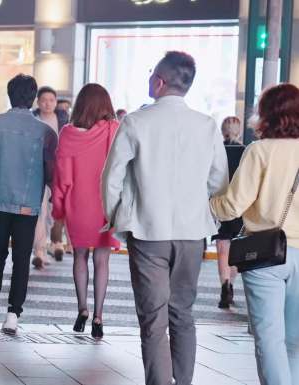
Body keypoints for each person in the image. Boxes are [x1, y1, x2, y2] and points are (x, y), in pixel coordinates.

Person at [101, 51, 228, 385]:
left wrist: (116, 217)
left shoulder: (136, 122)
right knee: (183, 313)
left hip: (147, 230)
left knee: (153, 318)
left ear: (158, 81)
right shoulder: (207, 125)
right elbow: (219, 181)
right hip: (191, 233)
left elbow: (112, 177)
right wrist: (207, 217)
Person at [211, 83, 299, 385]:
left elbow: (232, 205)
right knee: (295, 341)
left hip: (265, 253)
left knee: (269, 340)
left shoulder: (259, 151)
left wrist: (209, 202)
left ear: (266, 114)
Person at [0, 74, 58, 334]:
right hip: (28, 204)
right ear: (33, 98)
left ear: (9, 95)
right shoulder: (45, 132)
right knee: (22, 257)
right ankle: (13, 316)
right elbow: (51, 171)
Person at [52, 84, 120, 340]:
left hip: (77, 205)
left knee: (79, 257)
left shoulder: (68, 134)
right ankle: (99, 316)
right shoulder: (113, 130)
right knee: (102, 261)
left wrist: (58, 210)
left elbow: (62, 179)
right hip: (105, 205)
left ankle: (82, 309)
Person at [211, 116, 245, 309]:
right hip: (239, 205)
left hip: (220, 203)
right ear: (238, 130)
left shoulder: (217, 150)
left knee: (222, 249)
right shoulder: (244, 150)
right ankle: (231, 283)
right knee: (237, 250)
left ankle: (224, 284)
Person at [32, 86, 67, 267]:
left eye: (51, 100)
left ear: (56, 102)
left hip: (59, 171)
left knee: (57, 209)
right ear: (38, 102)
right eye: (44, 100)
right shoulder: (32, 119)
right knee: (40, 210)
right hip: (37, 171)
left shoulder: (63, 120)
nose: (47, 103)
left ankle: (55, 242)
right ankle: (39, 249)